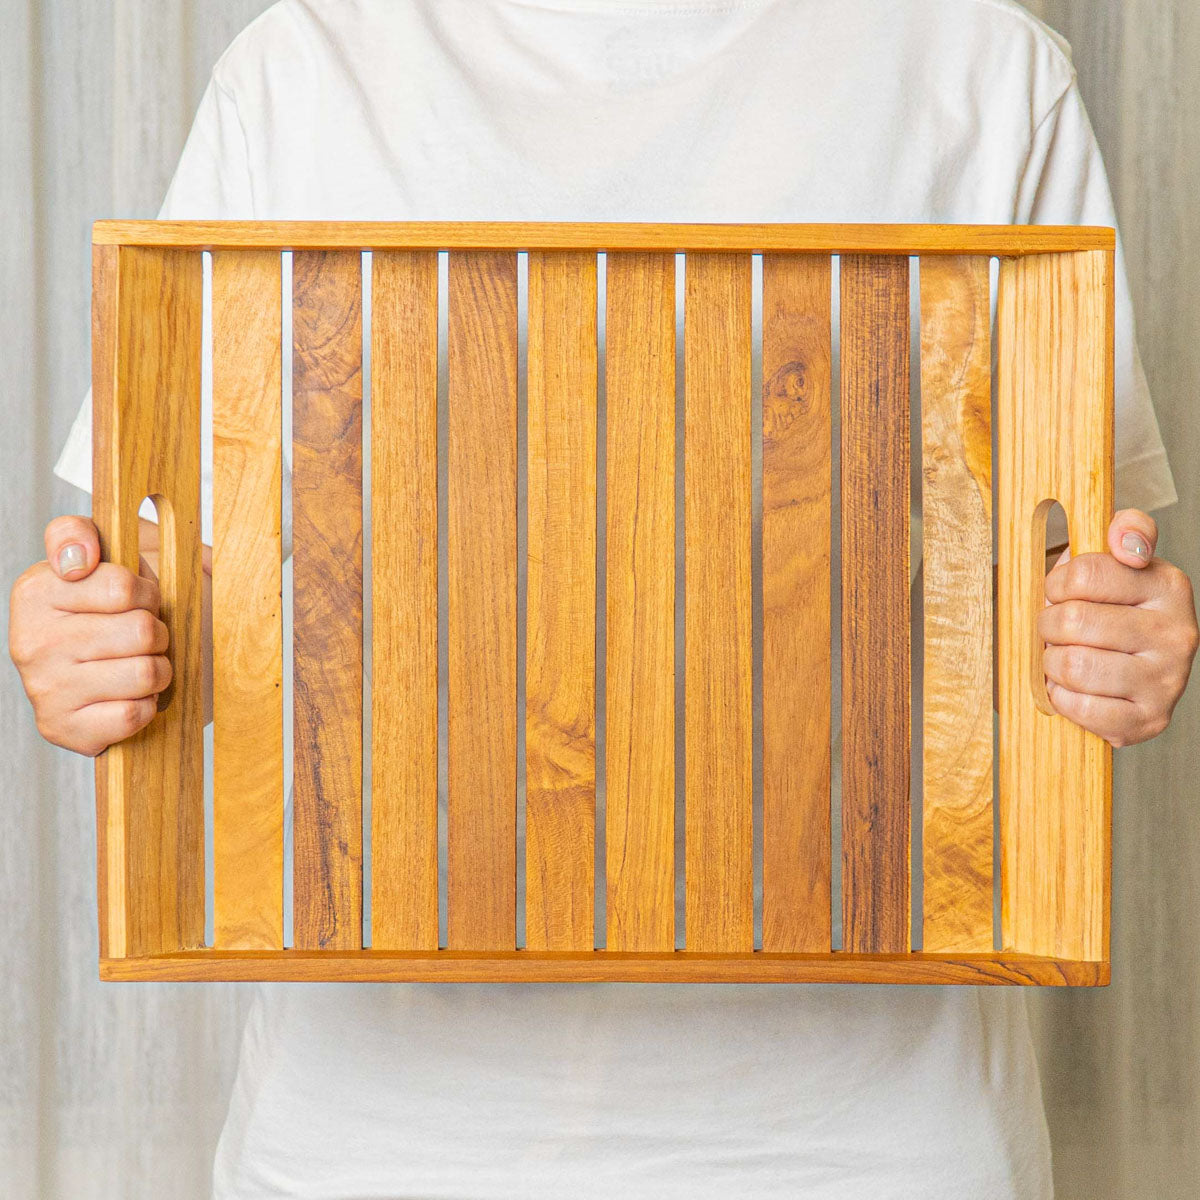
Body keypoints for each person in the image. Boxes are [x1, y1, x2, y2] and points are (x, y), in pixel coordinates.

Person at [8, 1, 1199, 1196]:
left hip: (870, 1140)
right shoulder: (306, 65)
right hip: (380, 1139)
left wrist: (1109, 647)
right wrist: (101, 649)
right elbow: (196, 594)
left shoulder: (977, 63)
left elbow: (1045, 569)